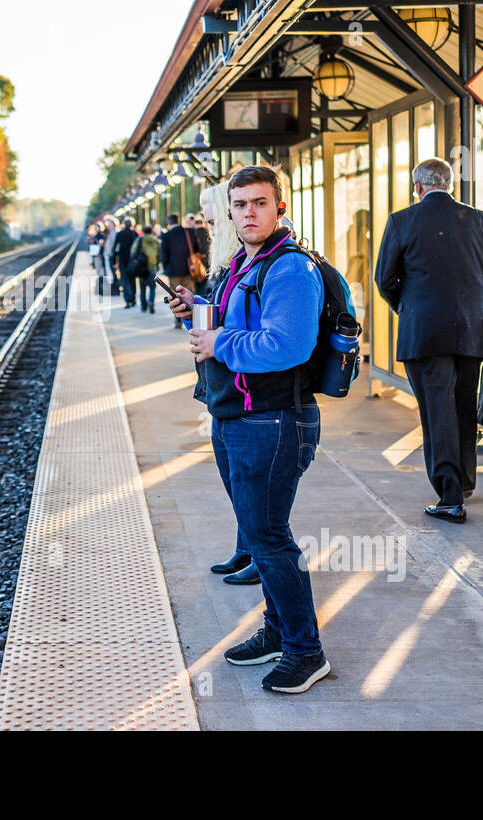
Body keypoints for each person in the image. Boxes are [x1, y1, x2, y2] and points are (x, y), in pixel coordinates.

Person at [168, 164, 331, 694]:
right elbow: (234, 318)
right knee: (260, 537)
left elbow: (289, 345)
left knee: (269, 538)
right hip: (236, 415)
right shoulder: (244, 263)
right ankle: (277, 632)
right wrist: (193, 310)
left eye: (260, 203)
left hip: (275, 419)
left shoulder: (289, 270)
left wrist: (219, 344)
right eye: (239, 205)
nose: (249, 213)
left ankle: (306, 652)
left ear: (280, 206)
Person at [374, 157, 483, 524]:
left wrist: (409, 306)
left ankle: (450, 497)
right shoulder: (481, 221)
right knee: (463, 404)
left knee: (437, 410)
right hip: (473, 328)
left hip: (425, 331)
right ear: (450, 184)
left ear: (416, 186)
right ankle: (464, 482)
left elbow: (384, 278)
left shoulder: (402, 221)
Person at [196, 183, 259, 586]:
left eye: (212, 215)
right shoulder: (230, 259)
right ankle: (246, 547)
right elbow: (223, 315)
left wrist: (216, 337)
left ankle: (257, 552)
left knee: (254, 490)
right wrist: (196, 311)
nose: (208, 223)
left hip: (248, 393)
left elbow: (270, 338)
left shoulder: (256, 259)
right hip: (223, 388)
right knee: (237, 482)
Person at [160, 214, 199, 329]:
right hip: (189, 269)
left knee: (176, 296)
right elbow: (196, 248)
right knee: (190, 294)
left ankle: (178, 319)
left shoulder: (167, 236)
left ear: (168, 223)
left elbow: (164, 255)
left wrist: (166, 268)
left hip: (174, 270)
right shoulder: (189, 232)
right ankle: (195, 319)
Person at [129, 223, 160, 312]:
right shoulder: (155, 240)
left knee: (142, 287)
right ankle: (151, 302)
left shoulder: (139, 239)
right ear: (151, 231)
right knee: (152, 286)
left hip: (142, 267)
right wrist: (157, 264)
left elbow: (133, 251)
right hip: (152, 267)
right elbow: (159, 254)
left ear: (143, 231)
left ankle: (143, 306)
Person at [114, 217, 138, 308]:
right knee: (132, 280)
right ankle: (133, 299)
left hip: (123, 260)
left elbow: (115, 248)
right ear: (132, 225)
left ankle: (127, 301)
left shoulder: (120, 234)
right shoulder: (134, 234)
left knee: (124, 281)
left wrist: (114, 260)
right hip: (133, 261)